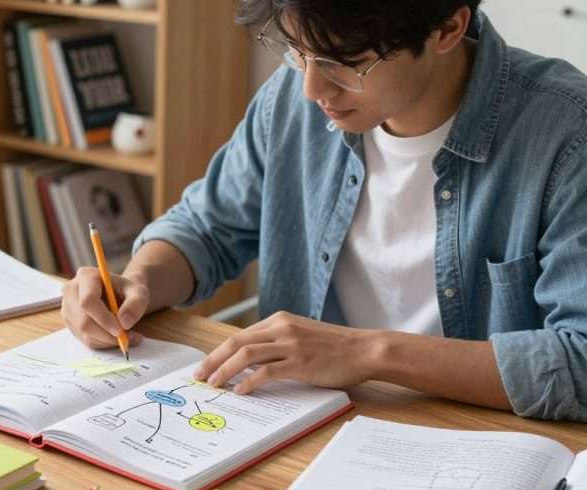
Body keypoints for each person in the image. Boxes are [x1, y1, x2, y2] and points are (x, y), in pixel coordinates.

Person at [61, 0, 587, 421]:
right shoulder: (292, 98)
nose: (313, 88)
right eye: (295, 50)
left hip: (478, 447)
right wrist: (141, 281)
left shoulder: (567, 135)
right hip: (300, 426)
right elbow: (205, 227)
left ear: (448, 28)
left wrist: (369, 354)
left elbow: (578, 362)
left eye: (345, 63)